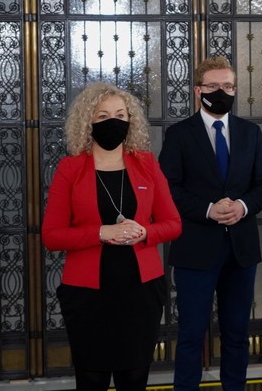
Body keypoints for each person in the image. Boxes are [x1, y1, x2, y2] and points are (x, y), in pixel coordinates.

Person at [42, 83, 181, 391]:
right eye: (103, 116)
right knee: (92, 379)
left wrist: (144, 232)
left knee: (134, 379)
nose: (113, 122)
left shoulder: (146, 163)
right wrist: (102, 232)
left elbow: (173, 224)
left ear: (131, 121)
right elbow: (52, 236)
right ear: (88, 122)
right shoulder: (70, 168)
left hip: (141, 293)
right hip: (88, 296)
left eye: (120, 115)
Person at [159, 56, 262, 391]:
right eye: (213, 86)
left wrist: (242, 206)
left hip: (241, 250)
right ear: (198, 90)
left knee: (237, 334)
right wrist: (208, 209)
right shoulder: (179, 135)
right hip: (195, 250)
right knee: (191, 335)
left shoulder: (250, 133)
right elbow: (168, 187)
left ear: (235, 89)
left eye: (227, 86)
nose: (221, 92)